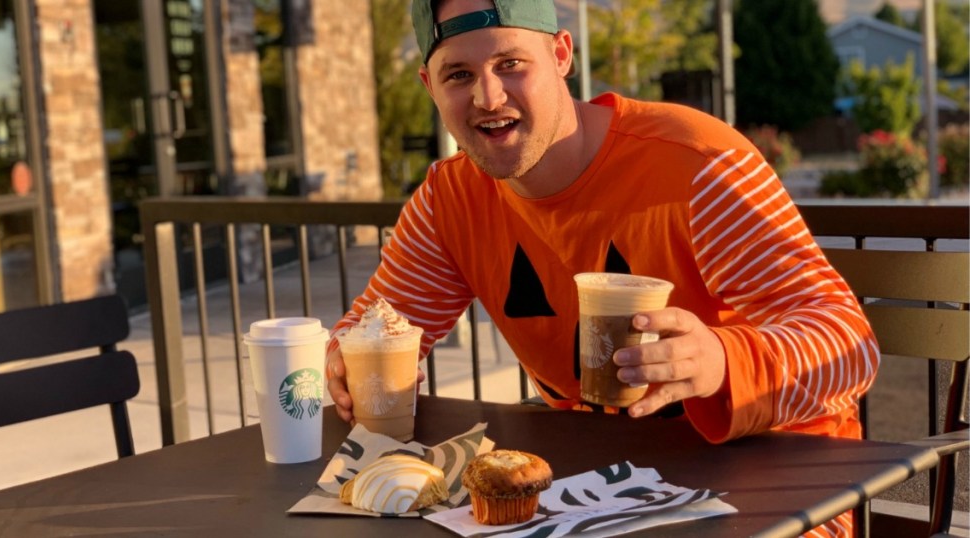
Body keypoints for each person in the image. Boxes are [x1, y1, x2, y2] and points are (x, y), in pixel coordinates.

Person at [326, 1, 878, 534]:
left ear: (562, 54)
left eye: (510, 64)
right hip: (593, 491)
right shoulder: (450, 200)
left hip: (782, 486)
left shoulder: (697, 163)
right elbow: (374, 331)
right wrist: (346, 366)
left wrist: (720, 361)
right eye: (459, 74)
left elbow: (850, 347)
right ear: (430, 87)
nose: (488, 97)